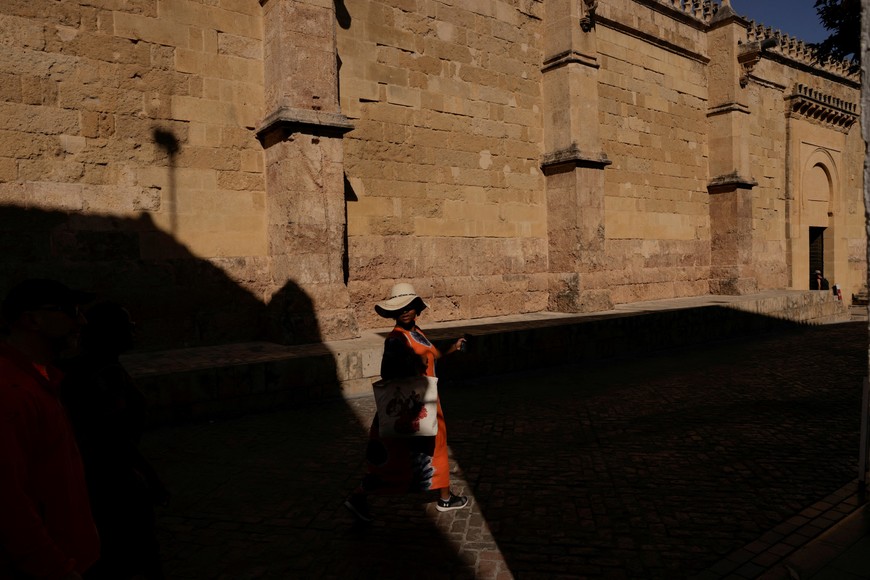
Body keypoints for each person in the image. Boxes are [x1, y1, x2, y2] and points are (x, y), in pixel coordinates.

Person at [0, 279, 100, 579]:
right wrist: (55, 568)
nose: (81, 321)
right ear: (32, 319)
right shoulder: (12, 392)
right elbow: (9, 501)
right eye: (70, 311)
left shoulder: (38, 379)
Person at [344, 283, 469, 523]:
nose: (404, 312)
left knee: (436, 447)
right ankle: (359, 496)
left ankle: (445, 497)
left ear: (416, 309)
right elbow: (388, 372)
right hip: (408, 410)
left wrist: (452, 348)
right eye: (399, 309)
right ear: (393, 313)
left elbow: (431, 354)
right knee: (394, 459)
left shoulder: (416, 332)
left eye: (409, 307)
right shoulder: (395, 340)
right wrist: (413, 366)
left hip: (424, 404)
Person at [62, 302, 168, 580]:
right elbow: (110, 435)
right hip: (111, 480)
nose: (134, 332)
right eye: (128, 327)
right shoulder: (101, 376)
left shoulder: (100, 369)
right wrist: (146, 474)